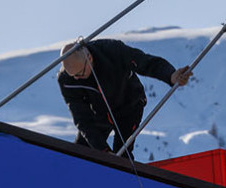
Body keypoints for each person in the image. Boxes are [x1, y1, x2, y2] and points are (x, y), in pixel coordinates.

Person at [58, 39, 192, 158]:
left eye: (79, 73)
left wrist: (171, 75)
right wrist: (103, 151)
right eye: (72, 75)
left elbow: (145, 62)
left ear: (89, 58)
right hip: (99, 113)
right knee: (81, 151)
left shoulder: (112, 50)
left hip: (130, 105)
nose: (76, 78)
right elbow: (82, 119)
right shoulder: (67, 80)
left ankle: (125, 178)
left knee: (122, 153)